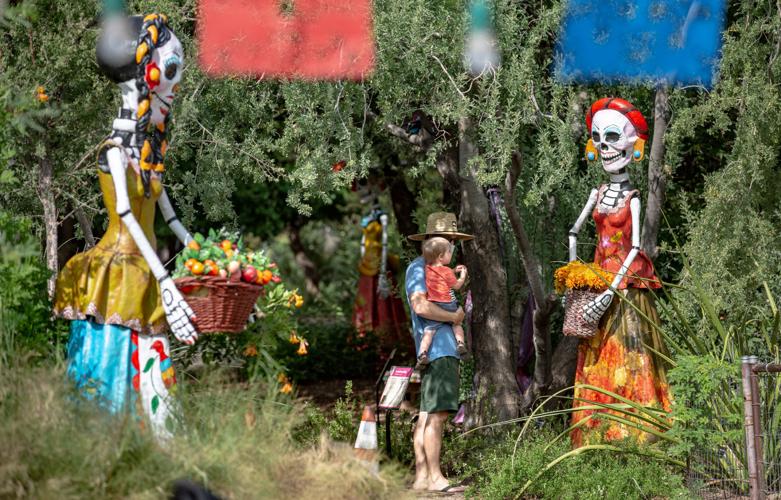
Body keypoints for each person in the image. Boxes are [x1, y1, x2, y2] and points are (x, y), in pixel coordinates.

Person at [53, 14, 197, 437]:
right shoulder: (115, 152)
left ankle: (157, 443)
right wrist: (165, 280)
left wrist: (205, 254)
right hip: (122, 270)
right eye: (170, 72)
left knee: (155, 360)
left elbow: (168, 218)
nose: (174, 87)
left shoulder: (149, 155)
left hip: (146, 270)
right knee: (117, 362)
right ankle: (109, 438)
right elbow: (129, 216)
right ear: (143, 73)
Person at [567, 97, 671, 447]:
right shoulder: (597, 193)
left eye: (612, 136)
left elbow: (637, 246)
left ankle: (636, 438)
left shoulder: (634, 198)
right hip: (598, 283)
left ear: (631, 144)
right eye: (598, 138)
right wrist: (574, 276)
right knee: (599, 356)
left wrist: (612, 289)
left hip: (626, 288)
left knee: (630, 354)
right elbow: (574, 232)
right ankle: (598, 436)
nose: (604, 146)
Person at [406, 212, 473, 493]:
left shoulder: (426, 269)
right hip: (441, 349)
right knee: (438, 416)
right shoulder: (421, 269)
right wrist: (454, 318)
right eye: (450, 241)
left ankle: (422, 478)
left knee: (425, 413)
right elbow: (421, 307)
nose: (453, 246)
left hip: (434, 350)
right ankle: (435, 478)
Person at [415, 236, 468, 369]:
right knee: (457, 324)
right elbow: (456, 286)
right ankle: (460, 343)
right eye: (449, 251)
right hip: (448, 305)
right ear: (440, 256)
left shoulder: (427, 268)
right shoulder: (446, 271)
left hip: (435, 305)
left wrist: (452, 271)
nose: (452, 253)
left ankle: (422, 354)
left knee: (429, 332)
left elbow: (441, 274)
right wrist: (462, 276)